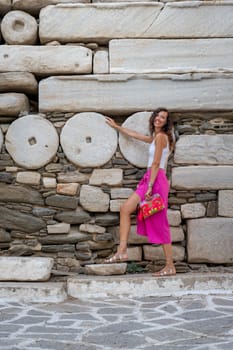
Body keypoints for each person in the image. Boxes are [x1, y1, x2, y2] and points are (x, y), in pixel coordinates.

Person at [104, 108, 176, 277]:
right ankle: (122, 251)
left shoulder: (161, 137)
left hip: (155, 180)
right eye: (157, 115)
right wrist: (117, 127)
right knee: (125, 209)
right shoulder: (155, 138)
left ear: (166, 122)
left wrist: (150, 186)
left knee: (160, 222)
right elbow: (136, 135)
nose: (159, 119)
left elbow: (157, 162)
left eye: (163, 117)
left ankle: (170, 265)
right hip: (150, 178)